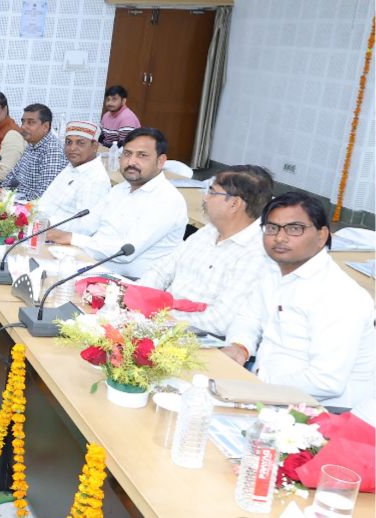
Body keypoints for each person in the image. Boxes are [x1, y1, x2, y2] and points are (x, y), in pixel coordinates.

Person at [223, 193, 374, 409]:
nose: (279, 238)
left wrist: (256, 387)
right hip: (265, 391)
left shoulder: (339, 295)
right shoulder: (273, 271)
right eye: (272, 228)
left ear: (322, 236)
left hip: (322, 410)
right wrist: (240, 346)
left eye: (294, 229)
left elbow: (326, 382)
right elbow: (248, 317)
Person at [138, 165, 276, 337]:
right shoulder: (209, 230)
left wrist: (160, 318)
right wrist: (139, 300)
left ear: (234, 204)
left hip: (194, 336)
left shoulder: (257, 253)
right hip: (158, 320)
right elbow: (160, 271)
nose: (205, 198)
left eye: (212, 192)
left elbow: (219, 321)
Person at [46, 128, 187, 279]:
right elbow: (87, 224)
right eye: (127, 154)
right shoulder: (120, 189)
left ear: (160, 161)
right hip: (93, 266)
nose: (131, 162)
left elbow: (125, 252)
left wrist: (72, 238)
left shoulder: (168, 200)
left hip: (132, 282)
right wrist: (48, 226)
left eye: (142, 155)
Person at [34, 120, 110, 231]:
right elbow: (46, 201)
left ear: (94, 146)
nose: (72, 148)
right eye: (68, 142)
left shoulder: (96, 179)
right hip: (39, 226)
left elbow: (86, 228)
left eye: (80, 143)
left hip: (55, 235)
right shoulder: (72, 167)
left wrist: (47, 223)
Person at [0, 103, 66, 200]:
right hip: (15, 199)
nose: (23, 127)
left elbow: (42, 196)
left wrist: (11, 202)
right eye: (23, 122)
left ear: (45, 127)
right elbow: (12, 175)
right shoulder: (32, 144)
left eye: (30, 123)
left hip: (30, 206)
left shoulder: (53, 151)